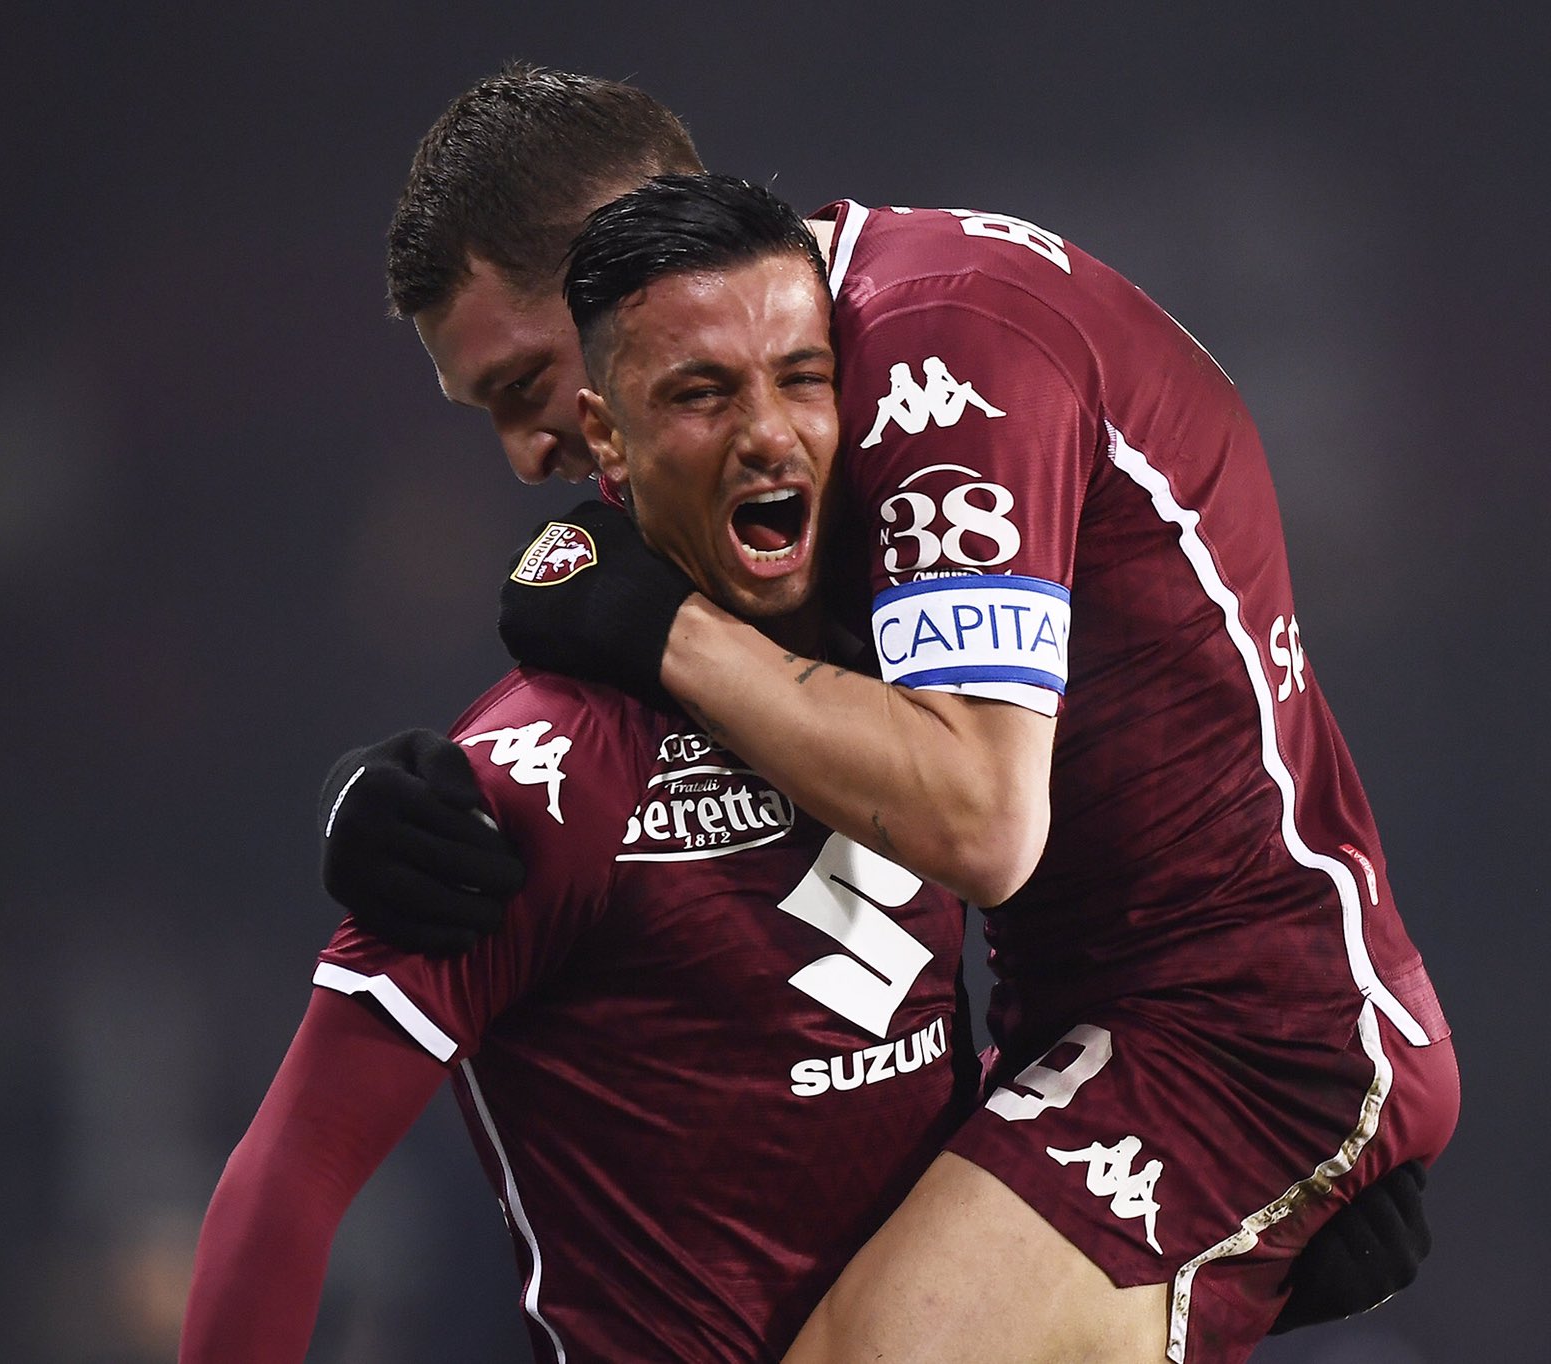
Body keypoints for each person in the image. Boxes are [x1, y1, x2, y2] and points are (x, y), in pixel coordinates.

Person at [324, 64, 1454, 1363]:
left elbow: (979, 816)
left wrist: (661, 626)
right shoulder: (794, 394)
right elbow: (654, 715)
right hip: (1076, 1028)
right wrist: (394, 803)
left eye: (525, 383)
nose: (529, 452)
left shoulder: (938, 347)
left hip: (1241, 1032)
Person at [182, 178, 977, 1363]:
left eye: (801, 377)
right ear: (611, 429)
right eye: (700, 392)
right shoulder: (538, 776)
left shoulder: (946, 657)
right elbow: (291, 1172)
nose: (767, 431)